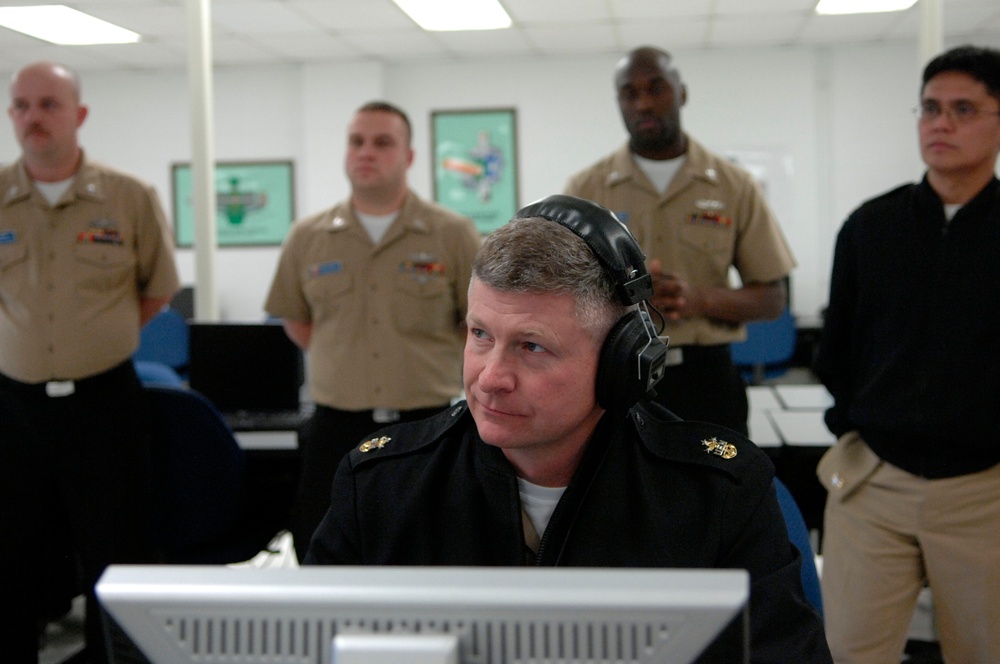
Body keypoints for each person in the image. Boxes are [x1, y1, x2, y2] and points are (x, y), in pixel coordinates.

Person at [305, 194, 832, 663]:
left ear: (621, 361)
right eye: (481, 334)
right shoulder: (380, 486)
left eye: (532, 347)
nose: (490, 379)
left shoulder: (718, 497)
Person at [814, 44, 1000, 664]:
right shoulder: (870, 228)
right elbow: (836, 351)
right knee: (847, 652)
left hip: (986, 492)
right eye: (930, 108)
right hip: (875, 482)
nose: (941, 123)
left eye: (964, 109)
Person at [0, 61, 180, 662]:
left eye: (48, 104)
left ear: (78, 115)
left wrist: (94, 339)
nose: (33, 117)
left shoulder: (128, 197)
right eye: (21, 105)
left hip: (105, 403)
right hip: (13, 405)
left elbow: (157, 290)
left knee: (117, 554)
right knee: (13, 555)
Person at [265, 101, 481, 560]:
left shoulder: (453, 234)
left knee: (431, 548)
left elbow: (478, 326)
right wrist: (347, 359)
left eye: (383, 143)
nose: (367, 152)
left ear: (409, 156)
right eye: (356, 141)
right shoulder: (308, 236)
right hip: (336, 425)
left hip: (425, 425)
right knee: (324, 549)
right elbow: (298, 321)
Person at [565, 46, 795, 435]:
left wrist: (698, 300)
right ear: (619, 103)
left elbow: (772, 299)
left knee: (720, 489)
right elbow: (564, 300)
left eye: (657, 89)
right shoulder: (587, 190)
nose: (644, 104)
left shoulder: (733, 185)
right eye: (630, 94)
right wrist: (628, 303)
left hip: (708, 384)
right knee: (623, 494)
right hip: (617, 380)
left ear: (682, 93)